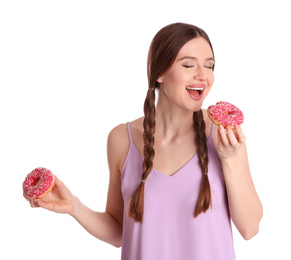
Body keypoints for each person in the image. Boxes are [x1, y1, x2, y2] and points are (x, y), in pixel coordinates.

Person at [25, 22, 263, 260]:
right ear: (159, 72)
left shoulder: (223, 134)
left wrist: (230, 158)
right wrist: (73, 207)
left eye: (209, 65)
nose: (203, 75)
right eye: (188, 64)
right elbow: (119, 231)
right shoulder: (121, 139)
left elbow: (250, 228)